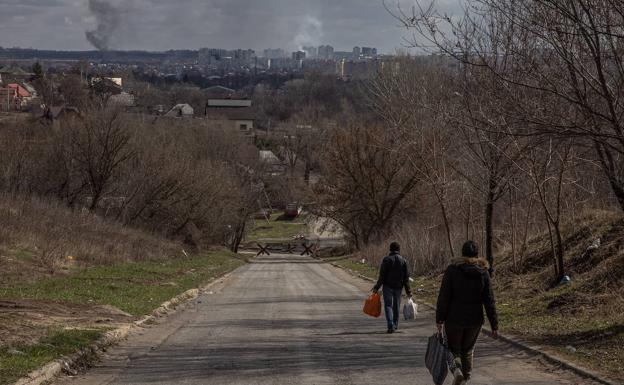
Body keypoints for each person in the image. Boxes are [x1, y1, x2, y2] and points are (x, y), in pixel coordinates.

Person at [436, 240, 499, 385]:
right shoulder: (483, 272)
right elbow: (489, 300)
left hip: (454, 319)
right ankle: (466, 378)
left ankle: (457, 372)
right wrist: (494, 325)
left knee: (454, 350)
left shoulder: (452, 270)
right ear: (477, 254)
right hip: (475, 320)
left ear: (462, 253)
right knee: (468, 350)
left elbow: (444, 297)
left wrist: (439, 319)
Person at [372, 242, 412, 334]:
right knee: (396, 306)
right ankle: (395, 325)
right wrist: (408, 291)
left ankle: (390, 324)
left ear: (390, 249)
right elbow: (406, 278)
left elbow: (382, 276)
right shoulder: (403, 261)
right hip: (398, 287)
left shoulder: (386, 260)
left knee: (388, 305)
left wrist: (376, 287)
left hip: (387, 287)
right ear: (399, 250)